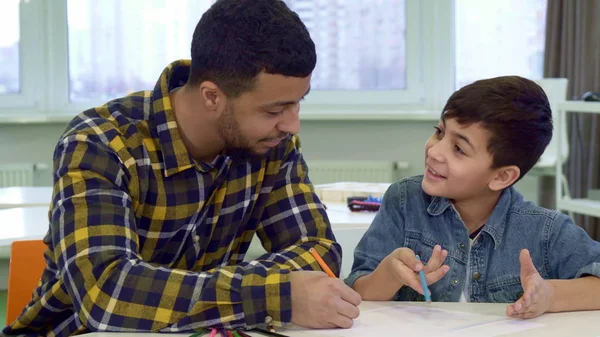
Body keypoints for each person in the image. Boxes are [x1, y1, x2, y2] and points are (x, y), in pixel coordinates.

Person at [3, 0, 361, 335]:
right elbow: (107, 292)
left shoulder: (270, 142)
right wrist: (272, 295)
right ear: (211, 96)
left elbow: (318, 252)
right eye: (274, 110)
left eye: (298, 103)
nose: (292, 124)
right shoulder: (99, 143)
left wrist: (217, 296)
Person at [345, 76, 600, 318]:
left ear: (502, 177)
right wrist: (390, 273)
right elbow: (358, 292)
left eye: (458, 149)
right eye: (439, 131)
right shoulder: (403, 200)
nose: (434, 151)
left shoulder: (544, 231)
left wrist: (550, 295)